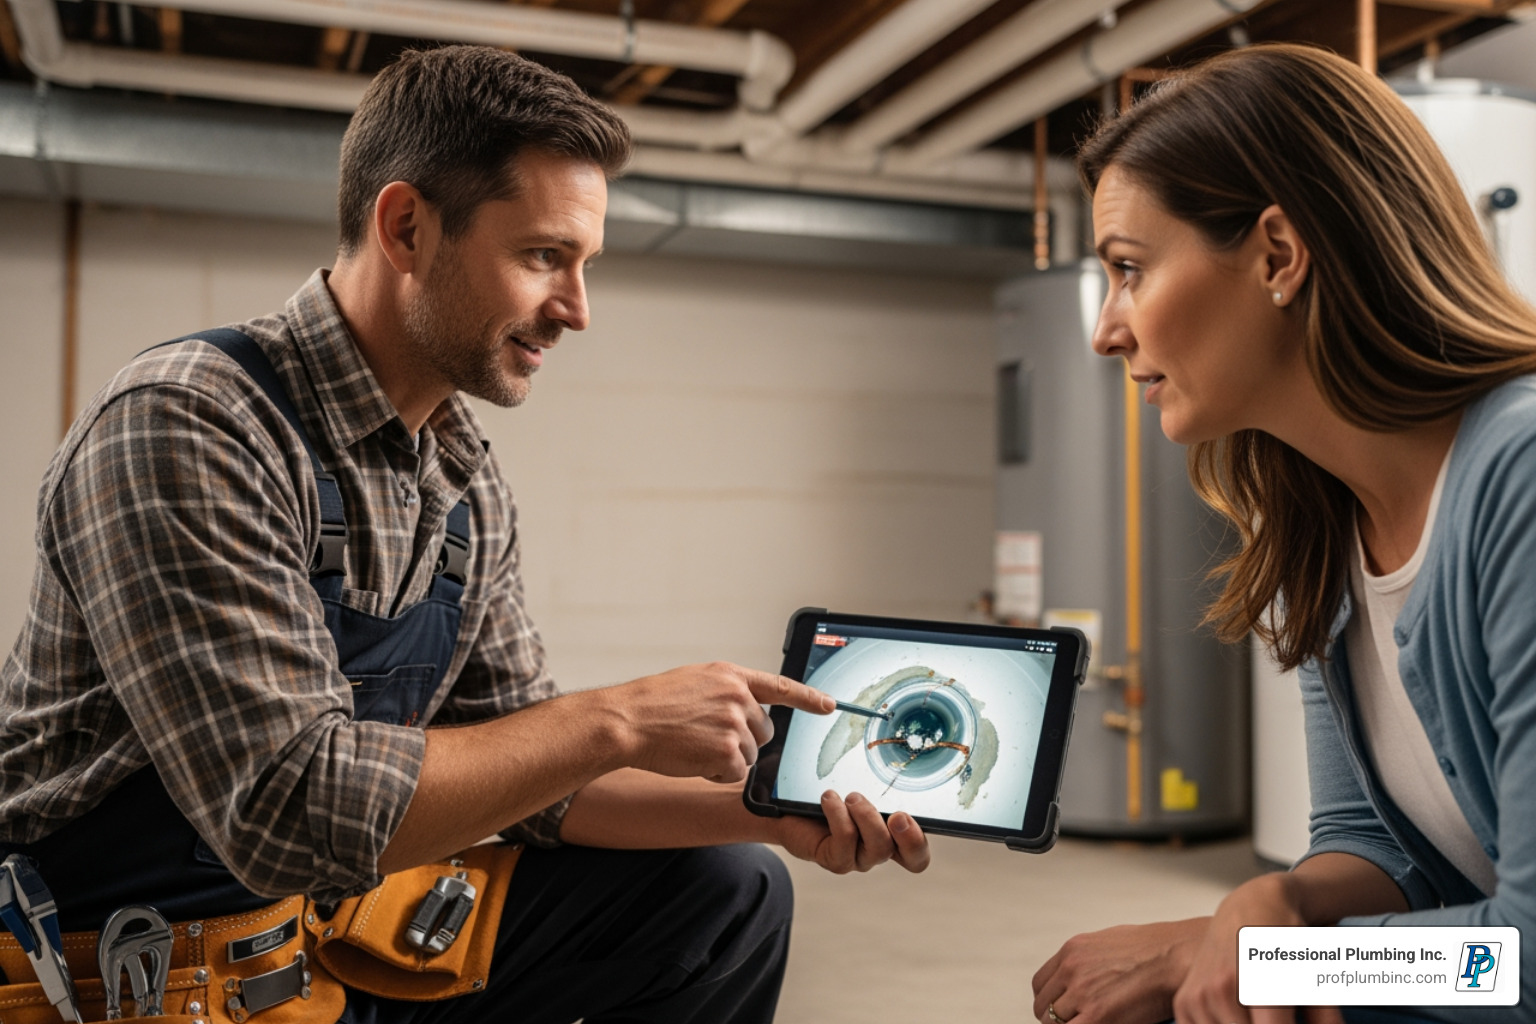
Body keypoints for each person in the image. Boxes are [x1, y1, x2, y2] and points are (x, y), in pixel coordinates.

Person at [0, 45, 929, 1023]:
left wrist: (773, 814)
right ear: (406, 227)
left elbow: (534, 783)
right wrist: (614, 717)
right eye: (543, 257)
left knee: (723, 893)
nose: (576, 308)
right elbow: (285, 814)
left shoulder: (461, 481)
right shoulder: (192, 422)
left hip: (312, 942)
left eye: (585, 265)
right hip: (128, 976)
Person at [1030, 43, 1536, 1024]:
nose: (1106, 329)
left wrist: (1265, 962)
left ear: (1277, 254)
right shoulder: (1322, 515)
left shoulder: (1520, 477)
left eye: (1130, 269)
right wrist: (1274, 902)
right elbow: (1373, 842)